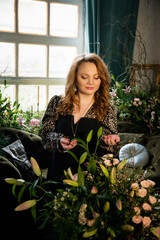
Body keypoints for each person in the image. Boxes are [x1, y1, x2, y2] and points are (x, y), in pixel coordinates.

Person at [41, 53, 120, 182]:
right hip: (58, 172)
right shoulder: (57, 102)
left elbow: (111, 152)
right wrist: (59, 141)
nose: (91, 82)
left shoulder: (107, 109)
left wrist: (111, 141)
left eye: (96, 77)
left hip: (88, 177)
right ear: (75, 78)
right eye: (84, 77)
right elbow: (45, 135)